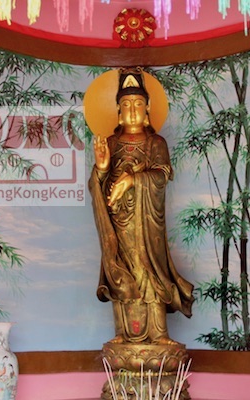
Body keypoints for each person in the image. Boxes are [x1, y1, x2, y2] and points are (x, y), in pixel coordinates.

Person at [88, 68, 194, 346]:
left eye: (138, 104)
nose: (132, 110)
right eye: (126, 105)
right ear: (118, 112)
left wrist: (133, 180)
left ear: (147, 110)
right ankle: (123, 334)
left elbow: (163, 175)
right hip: (120, 224)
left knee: (149, 272)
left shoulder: (156, 143)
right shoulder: (111, 143)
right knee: (120, 273)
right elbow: (96, 186)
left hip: (147, 223)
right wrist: (102, 169)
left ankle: (159, 334)